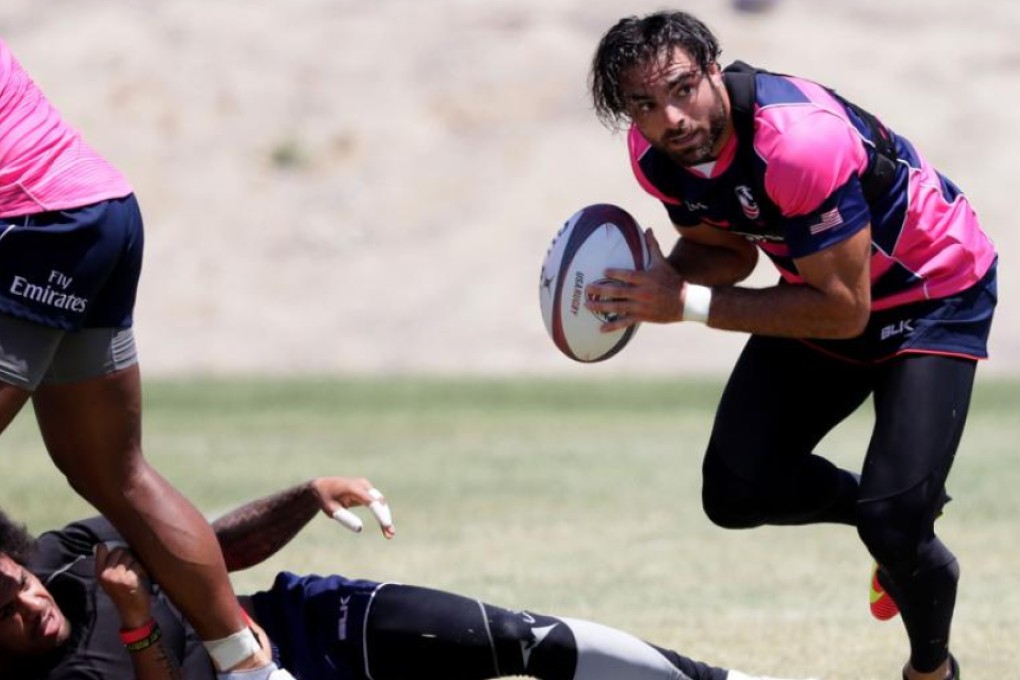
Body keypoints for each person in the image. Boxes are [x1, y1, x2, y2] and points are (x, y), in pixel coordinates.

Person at [584, 11, 995, 680]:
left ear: (714, 69)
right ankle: (894, 511)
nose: (671, 118)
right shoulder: (656, 156)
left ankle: (930, 667)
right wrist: (652, 281)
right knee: (736, 493)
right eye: (645, 104)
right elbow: (728, 256)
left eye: (683, 88)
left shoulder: (799, 142)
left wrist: (680, 303)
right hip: (825, 292)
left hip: (933, 294)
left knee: (895, 525)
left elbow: (844, 312)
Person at [0, 37, 293, 678]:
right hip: (95, 210)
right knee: (113, 471)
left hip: (34, 224)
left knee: (115, 471)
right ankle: (251, 670)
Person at [0, 475, 820, 680]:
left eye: (17, 585)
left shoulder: (68, 553)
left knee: (516, 638)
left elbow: (204, 548)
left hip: (301, 627)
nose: (27, 606)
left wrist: (303, 494)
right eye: (1, 613)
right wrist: (139, 624)